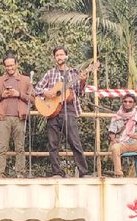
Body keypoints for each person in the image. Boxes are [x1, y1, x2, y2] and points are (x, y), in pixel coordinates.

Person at [34, 46, 93, 178]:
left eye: (61, 55)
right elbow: (37, 89)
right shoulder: (50, 73)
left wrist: (82, 81)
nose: (59, 57)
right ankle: (57, 172)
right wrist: (47, 92)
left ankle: (83, 172)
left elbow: (79, 92)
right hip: (52, 110)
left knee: (74, 141)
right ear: (54, 58)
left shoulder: (74, 73)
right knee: (53, 143)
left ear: (66, 56)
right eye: (57, 55)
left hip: (69, 109)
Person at [0, 54, 33, 178]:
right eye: (7, 66)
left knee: (20, 147)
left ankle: (20, 173)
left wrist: (19, 94)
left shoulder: (26, 80)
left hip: (20, 118)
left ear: (17, 64)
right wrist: (2, 95)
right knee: (2, 147)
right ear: (4, 66)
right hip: (3, 118)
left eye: (12, 65)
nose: (10, 68)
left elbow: (33, 99)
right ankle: (0, 174)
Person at [108, 93, 137, 177]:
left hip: (135, 143)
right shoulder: (117, 116)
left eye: (130, 102)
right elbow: (111, 133)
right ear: (122, 103)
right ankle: (119, 174)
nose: (127, 104)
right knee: (115, 148)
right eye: (125, 101)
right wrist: (114, 140)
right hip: (122, 143)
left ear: (134, 104)